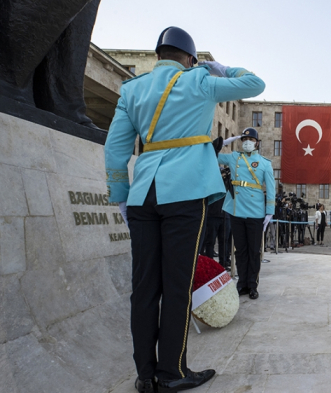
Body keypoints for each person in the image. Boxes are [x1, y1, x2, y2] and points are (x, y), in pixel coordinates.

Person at [104, 27, 264, 393]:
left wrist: (121, 196)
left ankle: (145, 375)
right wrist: (223, 69)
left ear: (158, 55)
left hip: (144, 193)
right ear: (189, 58)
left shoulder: (132, 89)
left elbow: (115, 150)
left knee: (143, 287)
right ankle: (172, 372)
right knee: (177, 284)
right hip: (186, 192)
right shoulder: (199, 80)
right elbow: (255, 83)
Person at [218, 127, 274, 299]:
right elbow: (211, 154)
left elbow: (271, 189)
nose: (247, 142)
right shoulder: (234, 157)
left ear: (256, 143)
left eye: (250, 139)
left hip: (256, 212)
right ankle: (241, 283)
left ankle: (252, 285)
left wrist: (269, 212)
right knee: (240, 250)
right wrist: (224, 142)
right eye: (244, 139)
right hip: (237, 210)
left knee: (253, 251)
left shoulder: (265, 163)